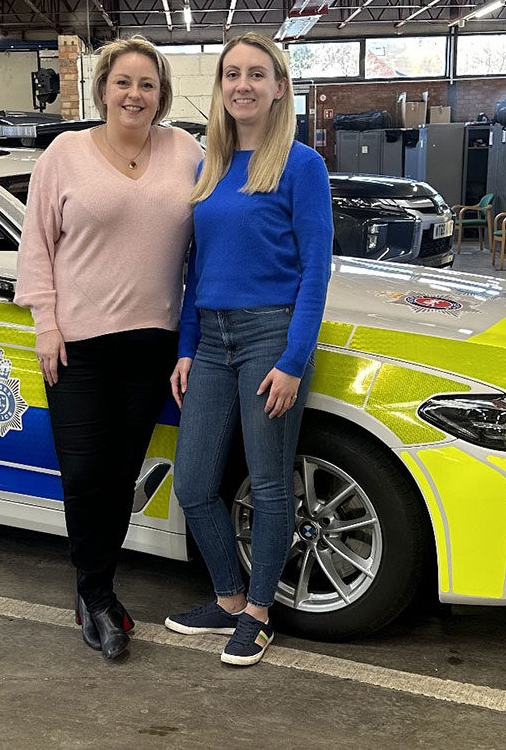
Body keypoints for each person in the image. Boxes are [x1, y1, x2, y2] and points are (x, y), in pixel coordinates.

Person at [15, 36, 202, 661]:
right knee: (85, 476)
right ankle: (95, 593)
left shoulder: (187, 153)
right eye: (123, 82)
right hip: (79, 349)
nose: (135, 94)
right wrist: (46, 323)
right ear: (102, 89)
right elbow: (36, 246)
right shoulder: (64, 155)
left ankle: (95, 589)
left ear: (162, 95)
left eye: (147, 84)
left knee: (121, 477)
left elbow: (216, 234)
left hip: (153, 345)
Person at [164, 33, 333, 667]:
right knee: (195, 480)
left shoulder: (300, 165)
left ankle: (261, 614)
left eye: (256, 74)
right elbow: (193, 266)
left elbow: (316, 269)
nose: (242, 84)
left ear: (279, 87)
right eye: (232, 74)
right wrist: (186, 347)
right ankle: (229, 598)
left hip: (270, 335)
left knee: (267, 484)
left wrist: (293, 359)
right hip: (211, 339)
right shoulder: (208, 165)